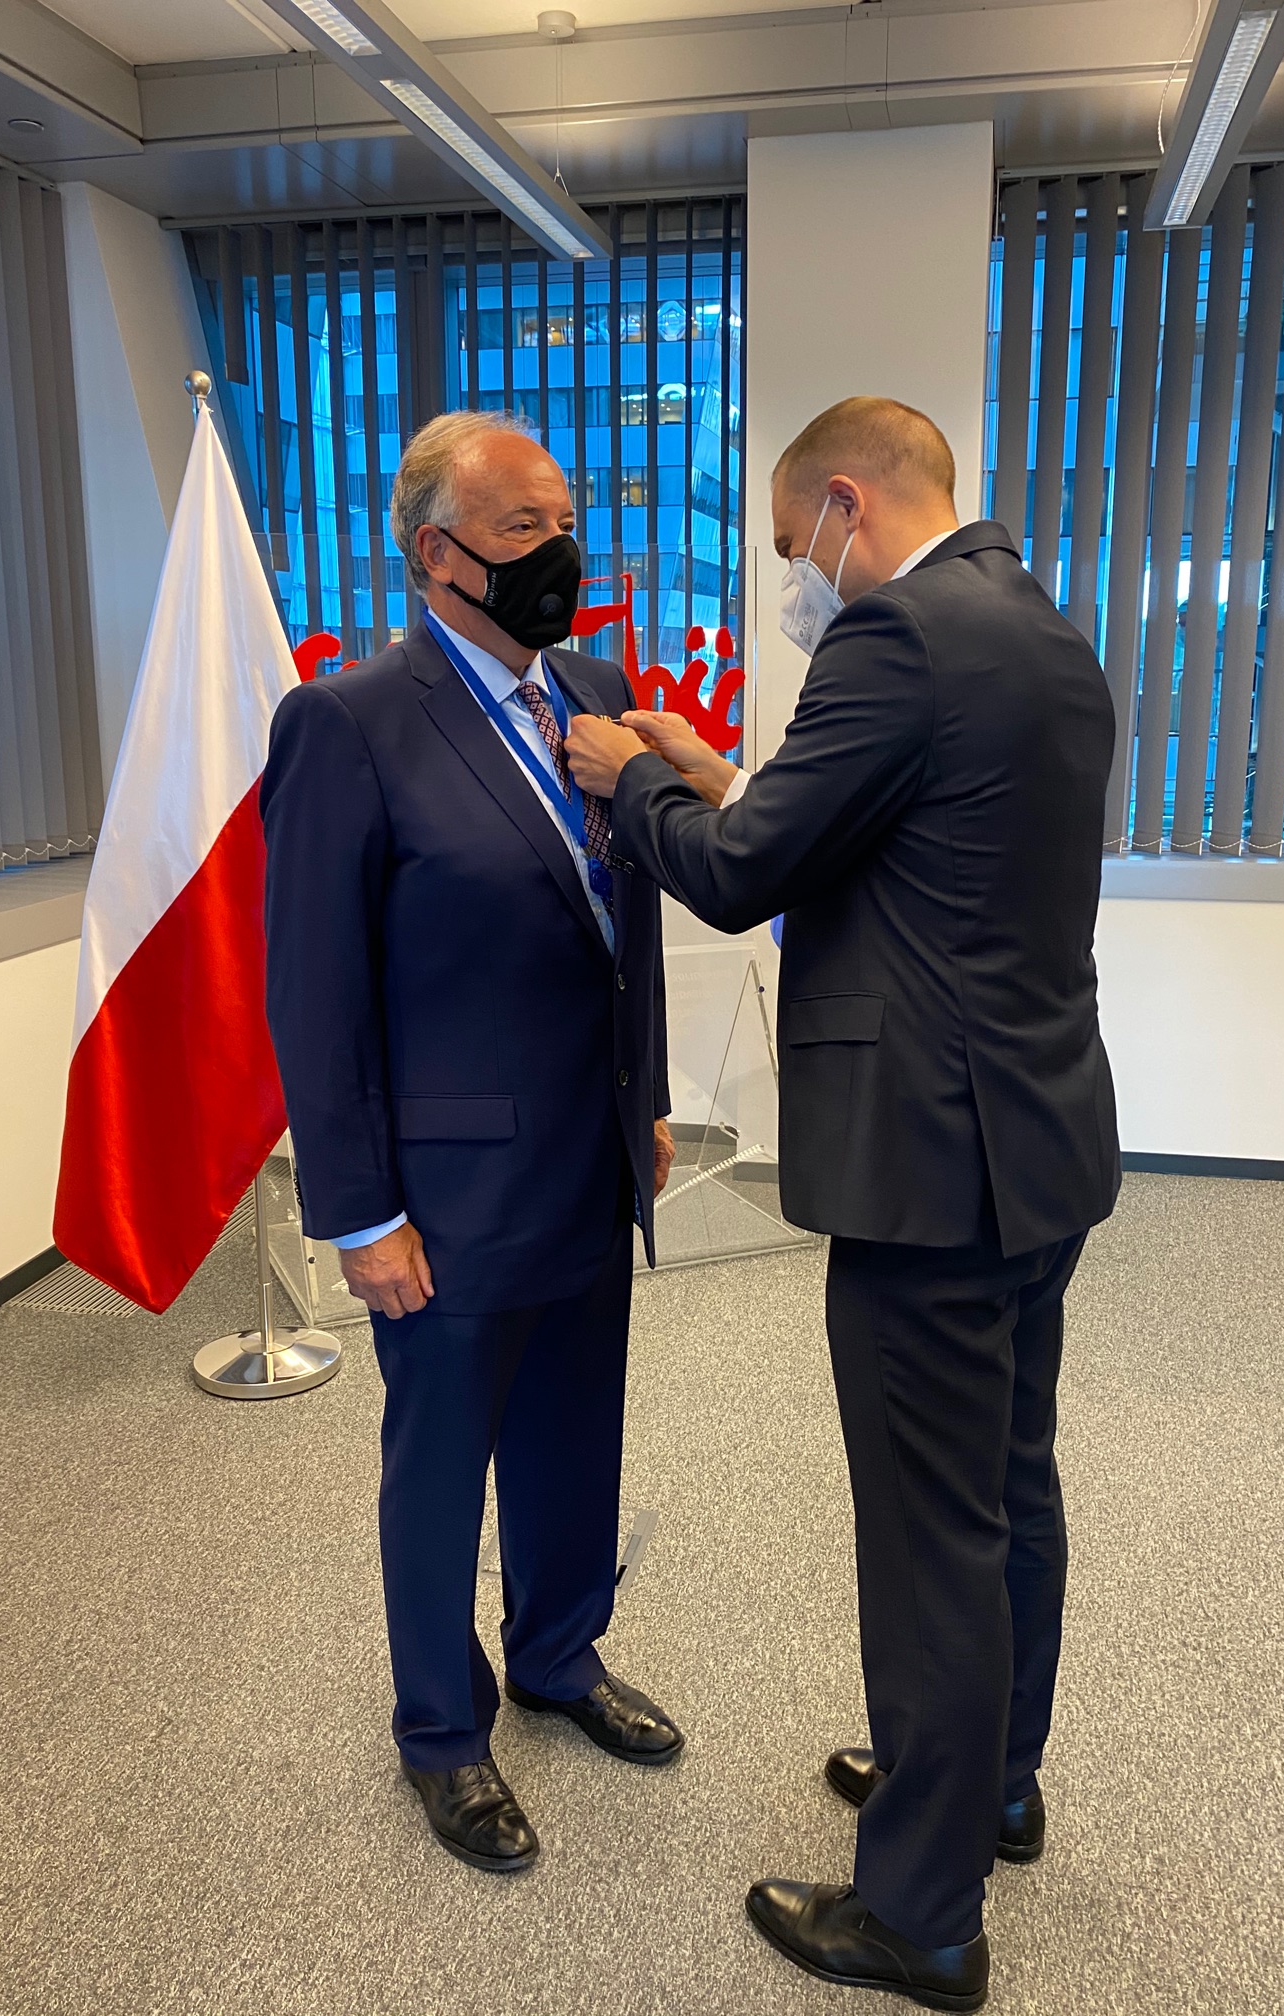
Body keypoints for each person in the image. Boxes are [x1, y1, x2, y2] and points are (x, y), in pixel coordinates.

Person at [566, 396, 1119, 2009]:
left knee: (932, 1535)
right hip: (1037, 1146)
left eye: (787, 542)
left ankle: (920, 1915)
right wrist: (716, 775)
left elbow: (742, 874)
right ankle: (990, 1785)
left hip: (928, 1170)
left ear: (845, 506)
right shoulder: (1040, 631)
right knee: (1007, 1489)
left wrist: (629, 781)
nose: (790, 575)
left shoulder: (894, 638)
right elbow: (895, 845)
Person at [260, 409, 682, 1877]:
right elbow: (313, 990)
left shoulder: (596, 692)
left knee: (576, 1434)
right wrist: (358, 1210)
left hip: (589, 1157)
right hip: (444, 1191)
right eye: (523, 528)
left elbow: (625, 925)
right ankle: (443, 1728)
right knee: (441, 1464)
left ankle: (560, 1655)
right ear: (438, 552)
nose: (560, 552)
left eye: (566, 523)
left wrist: (646, 1099)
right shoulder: (349, 722)